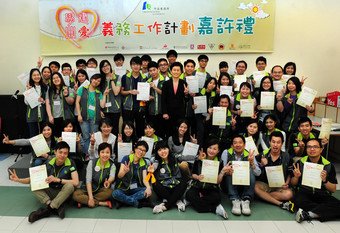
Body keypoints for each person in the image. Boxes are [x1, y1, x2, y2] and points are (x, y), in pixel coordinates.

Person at [9, 141, 79, 223]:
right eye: (60, 152)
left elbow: (76, 182)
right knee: (33, 184)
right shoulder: (48, 163)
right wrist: (19, 180)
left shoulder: (71, 163)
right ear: (55, 152)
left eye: (65, 153)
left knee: (70, 186)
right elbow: (32, 179)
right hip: (50, 191)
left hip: (63, 193)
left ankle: (47, 210)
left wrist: (58, 180)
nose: (63, 155)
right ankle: (54, 206)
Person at [291, 138, 340, 222]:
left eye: (315, 147)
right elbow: (293, 183)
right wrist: (296, 177)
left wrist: (325, 180)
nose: (312, 149)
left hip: (321, 193)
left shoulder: (328, 165)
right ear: (306, 149)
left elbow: (333, 189)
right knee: (298, 200)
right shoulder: (300, 162)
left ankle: (309, 214)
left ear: (321, 149)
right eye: (309, 147)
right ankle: (323, 210)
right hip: (304, 193)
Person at [185, 137, 228, 219]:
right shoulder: (200, 158)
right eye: (210, 148)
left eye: (215, 149)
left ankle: (196, 202)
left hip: (211, 188)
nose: (211, 151)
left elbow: (218, 182)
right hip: (197, 186)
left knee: (217, 198)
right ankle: (215, 209)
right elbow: (192, 174)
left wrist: (222, 172)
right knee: (188, 194)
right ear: (206, 148)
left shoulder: (219, 162)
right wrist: (197, 177)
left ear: (218, 151)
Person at [221, 135, 261, 216]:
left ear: (244, 144)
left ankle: (246, 200)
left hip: (245, 186)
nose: (238, 145)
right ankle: (235, 200)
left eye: (240, 142)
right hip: (229, 185)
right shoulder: (226, 152)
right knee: (230, 169)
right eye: (235, 143)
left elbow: (258, 173)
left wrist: (252, 163)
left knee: (250, 170)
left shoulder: (249, 154)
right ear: (232, 145)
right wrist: (227, 171)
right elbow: (222, 172)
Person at [255, 131, 294, 212]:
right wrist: (262, 165)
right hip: (265, 184)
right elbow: (256, 173)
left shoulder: (287, 156)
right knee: (255, 187)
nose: (275, 145)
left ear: (282, 143)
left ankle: (263, 196)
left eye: (278, 142)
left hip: (280, 186)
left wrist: (286, 183)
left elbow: (290, 173)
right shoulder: (262, 155)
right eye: (273, 142)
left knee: (289, 194)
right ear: (269, 142)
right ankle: (279, 203)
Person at [112, 141, 153, 208]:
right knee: (115, 193)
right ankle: (137, 203)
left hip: (135, 188)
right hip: (124, 187)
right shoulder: (126, 158)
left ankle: (124, 201)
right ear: (135, 149)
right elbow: (119, 175)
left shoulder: (143, 162)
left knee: (148, 190)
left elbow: (145, 179)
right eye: (140, 149)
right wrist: (124, 172)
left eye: (144, 150)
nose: (141, 152)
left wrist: (148, 187)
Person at [73, 142, 115, 208]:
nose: (105, 155)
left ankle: (84, 202)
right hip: (87, 189)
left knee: (111, 193)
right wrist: (90, 197)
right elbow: (88, 180)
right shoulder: (92, 162)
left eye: (107, 152)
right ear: (99, 153)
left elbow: (112, 176)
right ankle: (101, 203)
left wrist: (109, 181)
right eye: (102, 152)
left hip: (100, 190)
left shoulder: (112, 165)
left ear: (110, 154)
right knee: (75, 195)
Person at [151, 141, 188, 214]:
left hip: (175, 186)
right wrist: (151, 170)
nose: (162, 152)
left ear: (168, 149)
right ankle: (176, 201)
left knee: (183, 183)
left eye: (164, 148)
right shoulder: (155, 161)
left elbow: (185, 157)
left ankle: (166, 206)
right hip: (164, 187)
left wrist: (197, 157)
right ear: (157, 152)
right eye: (159, 150)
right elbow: (151, 166)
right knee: (155, 184)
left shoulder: (174, 157)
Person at [76, 73, 106, 155]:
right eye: (95, 79)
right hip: (83, 117)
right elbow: (77, 102)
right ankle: (86, 155)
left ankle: (92, 154)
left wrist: (105, 95)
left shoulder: (98, 92)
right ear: (91, 79)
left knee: (93, 138)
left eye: (99, 81)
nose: (96, 81)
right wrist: (79, 115)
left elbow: (102, 105)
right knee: (86, 137)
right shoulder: (82, 89)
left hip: (95, 118)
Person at [120, 56, 147, 137]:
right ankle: (127, 147)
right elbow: (121, 92)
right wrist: (129, 91)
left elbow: (146, 92)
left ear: (141, 66)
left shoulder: (145, 78)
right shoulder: (125, 77)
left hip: (140, 107)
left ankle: (139, 146)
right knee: (127, 128)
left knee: (140, 128)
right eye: (134, 64)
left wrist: (146, 98)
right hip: (128, 107)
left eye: (138, 64)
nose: (136, 66)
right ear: (131, 65)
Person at [161, 62, 189, 137]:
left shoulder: (184, 83)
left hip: (180, 112)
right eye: (174, 70)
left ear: (181, 72)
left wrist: (186, 94)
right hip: (168, 112)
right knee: (168, 131)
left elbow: (186, 100)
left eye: (178, 70)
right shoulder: (166, 84)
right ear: (171, 71)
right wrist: (164, 112)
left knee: (179, 132)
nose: (176, 72)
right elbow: (163, 99)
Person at [46, 72, 75, 137]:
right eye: (53, 78)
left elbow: (71, 102)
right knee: (57, 136)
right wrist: (50, 116)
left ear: (61, 78)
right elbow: (48, 104)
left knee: (67, 136)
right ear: (51, 80)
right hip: (54, 118)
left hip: (66, 117)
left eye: (57, 77)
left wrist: (66, 95)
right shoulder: (50, 91)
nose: (56, 79)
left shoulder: (68, 88)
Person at [99, 60, 122, 136]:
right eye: (103, 66)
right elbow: (98, 96)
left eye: (107, 65)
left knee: (114, 130)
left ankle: (114, 147)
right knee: (104, 131)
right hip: (104, 110)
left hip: (115, 109)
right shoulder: (100, 79)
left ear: (110, 66)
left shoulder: (118, 77)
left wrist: (112, 80)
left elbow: (116, 92)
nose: (105, 68)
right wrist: (100, 109)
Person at [25, 68, 48, 137]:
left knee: (44, 136)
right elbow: (26, 102)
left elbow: (47, 101)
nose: (36, 76)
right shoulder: (29, 87)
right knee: (34, 138)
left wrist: (43, 101)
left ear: (40, 75)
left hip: (43, 116)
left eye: (38, 75)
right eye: (34, 75)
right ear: (31, 77)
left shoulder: (45, 87)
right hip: (32, 116)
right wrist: (28, 92)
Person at [146, 61, 165, 138]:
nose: (152, 72)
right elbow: (144, 96)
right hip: (151, 112)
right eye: (150, 71)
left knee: (162, 133)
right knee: (151, 134)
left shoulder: (165, 80)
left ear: (158, 69)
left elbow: (165, 94)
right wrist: (147, 98)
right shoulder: (147, 82)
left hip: (162, 112)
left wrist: (155, 88)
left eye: (154, 70)